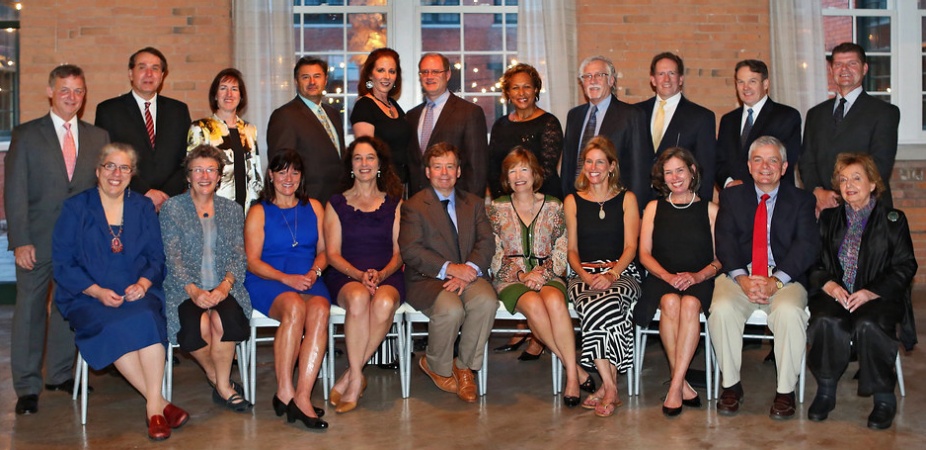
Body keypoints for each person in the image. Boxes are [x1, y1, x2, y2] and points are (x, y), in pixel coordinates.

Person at [53, 143, 188, 441]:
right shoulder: (76, 208)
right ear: (98, 170)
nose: (116, 173)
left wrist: (143, 283)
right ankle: (159, 405)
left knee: (147, 319)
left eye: (124, 167)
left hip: (136, 293)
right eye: (110, 166)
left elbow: (156, 256)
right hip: (87, 297)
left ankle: (153, 406)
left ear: (132, 174)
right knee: (115, 325)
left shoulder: (142, 206)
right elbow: (63, 263)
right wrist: (97, 291)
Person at [5, 64, 110, 416]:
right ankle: (27, 386)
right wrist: (20, 239)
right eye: (64, 90)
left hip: (80, 244)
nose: (71, 97)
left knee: (70, 308)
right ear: (50, 92)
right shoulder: (26, 134)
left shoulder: (98, 137)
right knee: (31, 313)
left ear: (85, 95)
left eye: (78, 91)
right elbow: (15, 190)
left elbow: (103, 192)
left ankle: (61, 374)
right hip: (35, 241)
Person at [709, 136, 820, 420]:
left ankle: (785, 391)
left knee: (789, 312)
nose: (765, 166)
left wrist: (776, 280)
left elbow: (806, 246)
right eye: (758, 159)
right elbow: (725, 241)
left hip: (784, 276)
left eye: (773, 160)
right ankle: (731, 385)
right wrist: (742, 278)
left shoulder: (801, 200)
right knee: (720, 310)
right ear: (748, 165)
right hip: (740, 274)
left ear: (784, 167)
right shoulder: (732, 197)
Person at [805, 153, 917, 430]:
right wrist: (829, 285)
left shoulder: (893, 219)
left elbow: (905, 266)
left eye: (856, 178)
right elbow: (814, 261)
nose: (849, 184)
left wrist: (869, 292)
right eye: (843, 180)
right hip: (837, 293)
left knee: (869, 323)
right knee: (825, 320)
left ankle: (883, 398)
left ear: (872, 184)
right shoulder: (829, 218)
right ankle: (826, 390)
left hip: (878, 297)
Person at [487, 148, 592, 407]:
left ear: (535, 174)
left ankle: (570, 373)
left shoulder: (554, 205)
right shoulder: (496, 209)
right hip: (510, 278)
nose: (518, 175)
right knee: (533, 305)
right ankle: (573, 370)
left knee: (555, 302)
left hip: (549, 273)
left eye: (524, 169)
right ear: (506, 178)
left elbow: (561, 246)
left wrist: (541, 273)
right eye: (512, 170)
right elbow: (493, 250)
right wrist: (522, 274)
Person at [399, 142, 496, 404]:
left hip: (469, 274)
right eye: (438, 166)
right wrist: (451, 269)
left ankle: (464, 367)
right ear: (428, 172)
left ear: (459, 171)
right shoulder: (414, 206)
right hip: (428, 278)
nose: (444, 172)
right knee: (452, 309)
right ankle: (436, 365)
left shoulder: (473, 203)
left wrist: (469, 270)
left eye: (450, 166)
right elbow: (411, 250)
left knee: (486, 301)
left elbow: (486, 242)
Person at [160, 145, 253, 413]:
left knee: (222, 320)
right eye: (198, 170)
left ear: (219, 175)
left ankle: (220, 384)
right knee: (199, 325)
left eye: (211, 169)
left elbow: (238, 254)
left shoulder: (232, 209)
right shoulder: (172, 208)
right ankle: (218, 379)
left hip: (226, 287)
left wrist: (225, 286)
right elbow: (172, 256)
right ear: (188, 176)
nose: (204, 175)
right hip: (184, 288)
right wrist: (193, 290)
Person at [243, 150, 331, 430]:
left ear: (301, 176)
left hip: (307, 277)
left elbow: (325, 251)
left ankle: (302, 396)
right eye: (282, 172)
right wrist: (286, 278)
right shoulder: (259, 211)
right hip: (268, 279)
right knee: (294, 306)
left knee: (319, 309)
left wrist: (313, 273)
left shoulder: (315, 207)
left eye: (294, 172)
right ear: (271, 175)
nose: (288, 178)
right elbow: (252, 261)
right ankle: (284, 390)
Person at [634, 147, 720, 417]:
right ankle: (680, 383)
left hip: (700, 278)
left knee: (691, 304)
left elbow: (720, 260)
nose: (674, 177)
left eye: (679, 170)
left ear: (692, 171)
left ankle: (674, 386)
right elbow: (644, 255)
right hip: (662, 276)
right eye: (668, 172)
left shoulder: (711, 210)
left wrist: (697, 276)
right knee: (670, 302)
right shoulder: (653, 208)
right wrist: (668, 276)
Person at [323, 136, 405, 413]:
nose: (364, 163)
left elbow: (399, 252)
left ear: (379, 164)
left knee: (383, 303)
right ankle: (358, 379)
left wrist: (381, 275)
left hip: (387, 274)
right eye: (358, 158)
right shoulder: (336, 203)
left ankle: (351, 375)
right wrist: (359, 275)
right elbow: (332, 254)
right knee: (358, 299)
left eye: (370, 157)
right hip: (346, 274)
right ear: (351, 166)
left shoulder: (395, 203)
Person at [564, 136, 642, 418]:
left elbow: (631, 247)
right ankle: (611, 387)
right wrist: (585, 275)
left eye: (600, 162)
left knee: (607, 304)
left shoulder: (627, 199)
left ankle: (606, 388)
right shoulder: (572, 201)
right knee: (594, 304)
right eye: (588, 162)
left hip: (621, 270)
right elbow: (571, 249)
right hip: (583, 273)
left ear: (611, 166)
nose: (593, 167)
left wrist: (612, 274)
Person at [801, 42, 900, 212]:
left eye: (852, 63)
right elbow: (806, 161)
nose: (844, 69)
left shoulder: (884, 112)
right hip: (824, 211)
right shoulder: (815, 114)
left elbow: (880, 165)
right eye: (838, 64)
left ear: (865, 68)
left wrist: (841, 195)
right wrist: (817, 192)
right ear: (831, 70)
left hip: (867, 211)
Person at [95, 47, 192, 212]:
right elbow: (106, 159)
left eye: (155, 68)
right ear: (131, 73)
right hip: (126, 203)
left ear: (162, 75)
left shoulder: (178, 110)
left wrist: (165, 195)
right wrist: (145, 192)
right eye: (142, 67)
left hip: (170, 205)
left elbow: (187, 158)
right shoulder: (109, 111)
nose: (149, 74)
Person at [560, 56, 648, 209]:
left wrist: (637, 211)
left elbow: (639, 169)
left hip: (616, 205)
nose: (593, 80)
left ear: (611, 80)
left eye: (599, 75)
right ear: (582, 82)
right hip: (578, 203)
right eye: (587, 77)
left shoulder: (631, 115)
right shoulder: (574, 116)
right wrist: (566, 200)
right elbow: (568, 165)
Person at [635, 52, 716, 201]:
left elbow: (706, 169)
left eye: (672, 73)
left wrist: (702, 208)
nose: (666, 79)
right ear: (653, 79)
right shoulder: (635, 113)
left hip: (680, 204)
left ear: (680, 79)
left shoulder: (701, 117)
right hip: (640, 203)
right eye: (661, 74)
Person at [406, 52, 488, 196]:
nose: (429, 76)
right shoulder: (412, 116)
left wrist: (470, 211)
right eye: (424, 72)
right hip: (417, 207)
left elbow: (477, 169)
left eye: (436, 71)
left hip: (455, 206)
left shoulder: (469, 113)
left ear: (448, 75)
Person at [267, 56, 345, 204]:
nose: (312, 82)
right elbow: (281, 165)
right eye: (305, 77)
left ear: (325, 80)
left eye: (317, 76)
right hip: (305, 202)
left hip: (337, 201)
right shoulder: (284, 116)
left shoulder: (333, 114)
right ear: (296, 82)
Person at [715, 59, 801, 188]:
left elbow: (785, 160)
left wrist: (746, 185)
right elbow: (719, 160)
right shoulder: (728, 120)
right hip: (733, 198)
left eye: (752, 81)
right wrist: (729, 183)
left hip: (772, 199)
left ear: (765, 84)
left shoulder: (786, 116)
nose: (746, 87)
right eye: (740, 82)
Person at [187, 68, 263, 211]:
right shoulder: (201, 128)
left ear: (241, 96)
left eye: (234, 89)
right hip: (214, 208)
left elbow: (255, 171)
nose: (229, 94)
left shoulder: (250, 129)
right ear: (215, 95)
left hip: (248, 208)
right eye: (223, 88)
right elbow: (192, 173)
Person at [487, 63, 564, 199]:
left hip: (543, 201)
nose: (521, 93)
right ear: (508, 93)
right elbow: (493, 169)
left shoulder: (549, 123)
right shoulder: (500, 125)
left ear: (535, 90)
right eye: (515, 88)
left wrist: (522, 200)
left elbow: (547, 170)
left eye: (527, 87)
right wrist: (504, 200)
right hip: (506, 201)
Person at [351, 48, 412, 184]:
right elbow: (366, 156)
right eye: (381, 70)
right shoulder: (364, 106)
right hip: (380, 185)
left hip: (400, 182)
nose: (387, 76)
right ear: (370, 75)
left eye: (392, 71)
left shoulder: (393, 104)